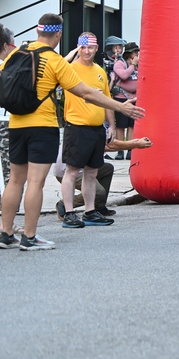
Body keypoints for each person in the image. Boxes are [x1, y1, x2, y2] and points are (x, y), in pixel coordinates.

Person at [1, 15, 144, 251]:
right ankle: (29, 236)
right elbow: (86, 92)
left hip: (15, 125)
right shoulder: (55, 61)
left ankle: (5, 234)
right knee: (35, 183)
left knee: (15, 181)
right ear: (58, 35)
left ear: (38, 32)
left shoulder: (16, 54)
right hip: (42, 127)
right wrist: (120, 106)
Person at [57, 32, 119, 228]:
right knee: (72, 171)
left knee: (92, 172)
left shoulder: (100, 71)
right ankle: (68, 213)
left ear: (96, 48)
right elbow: (57, 68)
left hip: (97, 129)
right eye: (82, 47)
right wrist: (72, 53)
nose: (86, 51)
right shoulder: (70, 69)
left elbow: (107, 101)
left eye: (90, 47)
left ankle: (90, 212)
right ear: (77, 48)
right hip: (76, 127)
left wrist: (112, 126)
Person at [111, 41, 141, 157]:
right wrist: (133, 65)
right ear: (130, 54)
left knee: (131, 125)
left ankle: (130, 149)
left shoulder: (139, 64)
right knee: (121, 125)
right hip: (122, 98)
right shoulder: (120, 63)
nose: (137, 54)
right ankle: (120, 150)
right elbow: (124, 75)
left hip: (134, 98)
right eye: (135, 52)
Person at [0, 22, 15, 187]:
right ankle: (11, 206)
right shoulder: (9, 67)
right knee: (10, 169)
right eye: (13, 44)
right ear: (5, 45)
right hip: (6, 121)